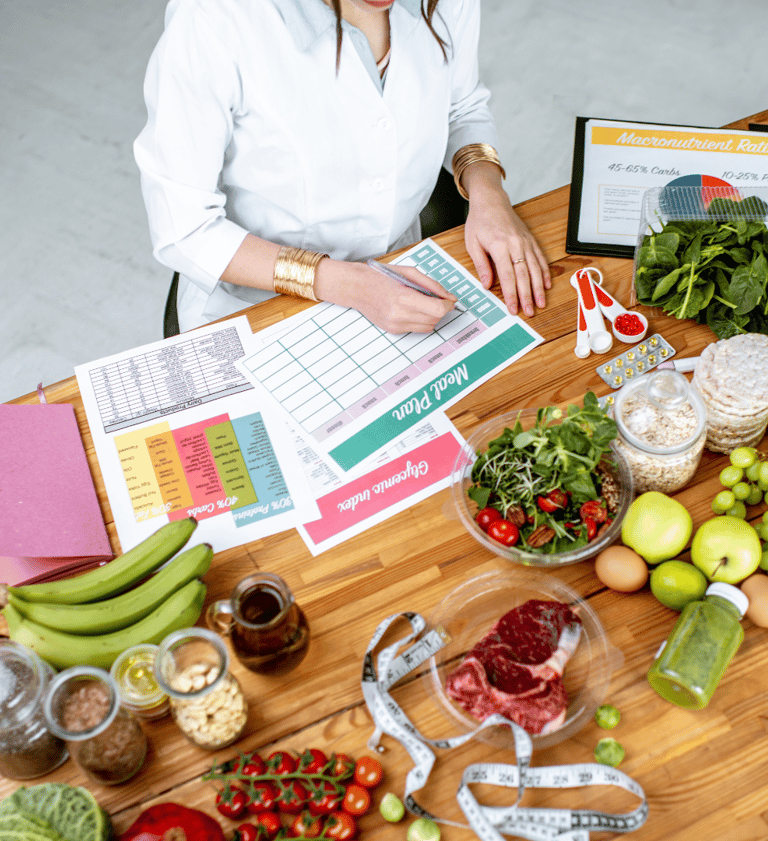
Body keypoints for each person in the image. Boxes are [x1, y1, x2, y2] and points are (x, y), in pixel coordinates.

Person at [134, 0, 551, 336]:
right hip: (258, 306)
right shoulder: (213, 19)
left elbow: (461, 106)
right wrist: (350, 285)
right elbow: (184, 229)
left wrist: (489, 196)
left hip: (401, 277)